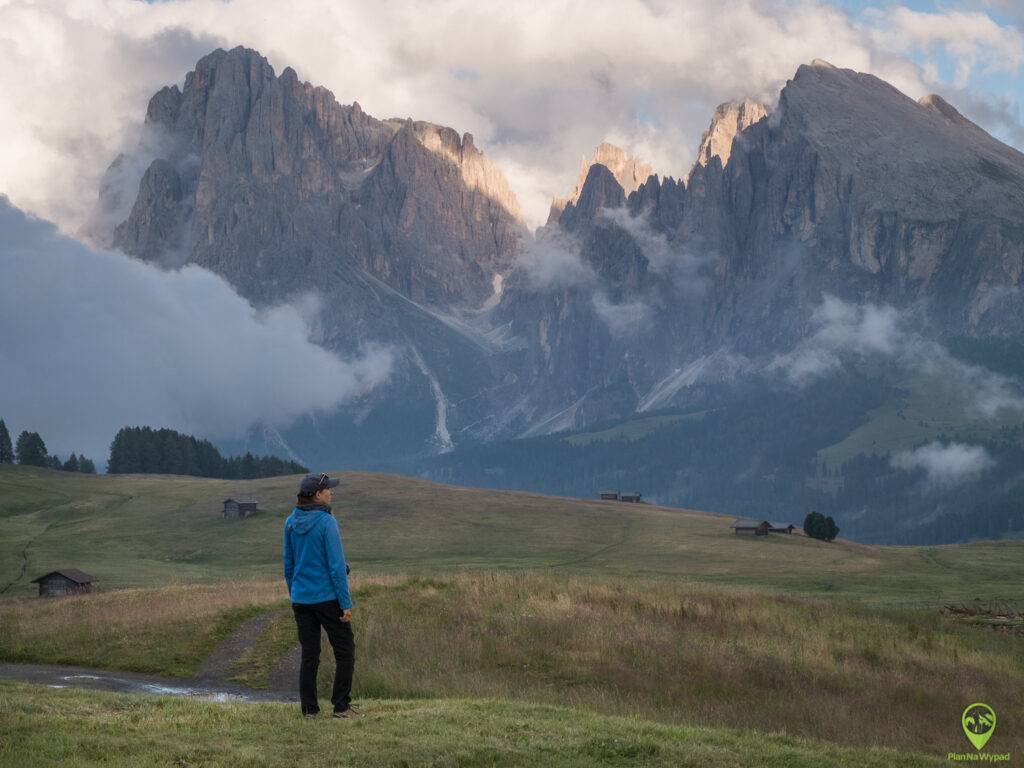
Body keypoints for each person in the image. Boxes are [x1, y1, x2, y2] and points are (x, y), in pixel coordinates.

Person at [282, 472, 358, 719]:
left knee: (309, 655)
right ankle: (341, 706)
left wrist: (295, 593)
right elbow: (337, 567)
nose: (331, 492)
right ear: (317, 494)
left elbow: (289, 566)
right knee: (345, 650)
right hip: (327, 598)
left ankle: (309, 710)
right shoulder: (327, 523)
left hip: (301, 599)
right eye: (328, 490)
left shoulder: (290, 522)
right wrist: (345, 603)